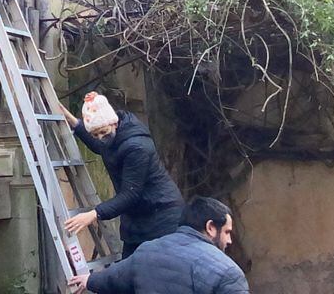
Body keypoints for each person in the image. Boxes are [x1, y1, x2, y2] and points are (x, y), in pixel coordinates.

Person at [59, 92, 185, 259]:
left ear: (114, 123)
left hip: (161, 214)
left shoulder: (137, 147)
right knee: (129, 268)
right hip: (137, 217)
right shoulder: (113, 135)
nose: (100, 138)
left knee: (156, 268)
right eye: (95, 134)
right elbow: (100, 145)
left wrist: (94, 214)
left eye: (103, 132)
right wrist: (72, 121)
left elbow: (130, 194)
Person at [68, 196, 250, 294]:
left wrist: (88, 280)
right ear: (210, 227)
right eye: (227, 232)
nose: (229, 241)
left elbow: (113, 278)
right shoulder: (229, 272)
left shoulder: (147, 250)